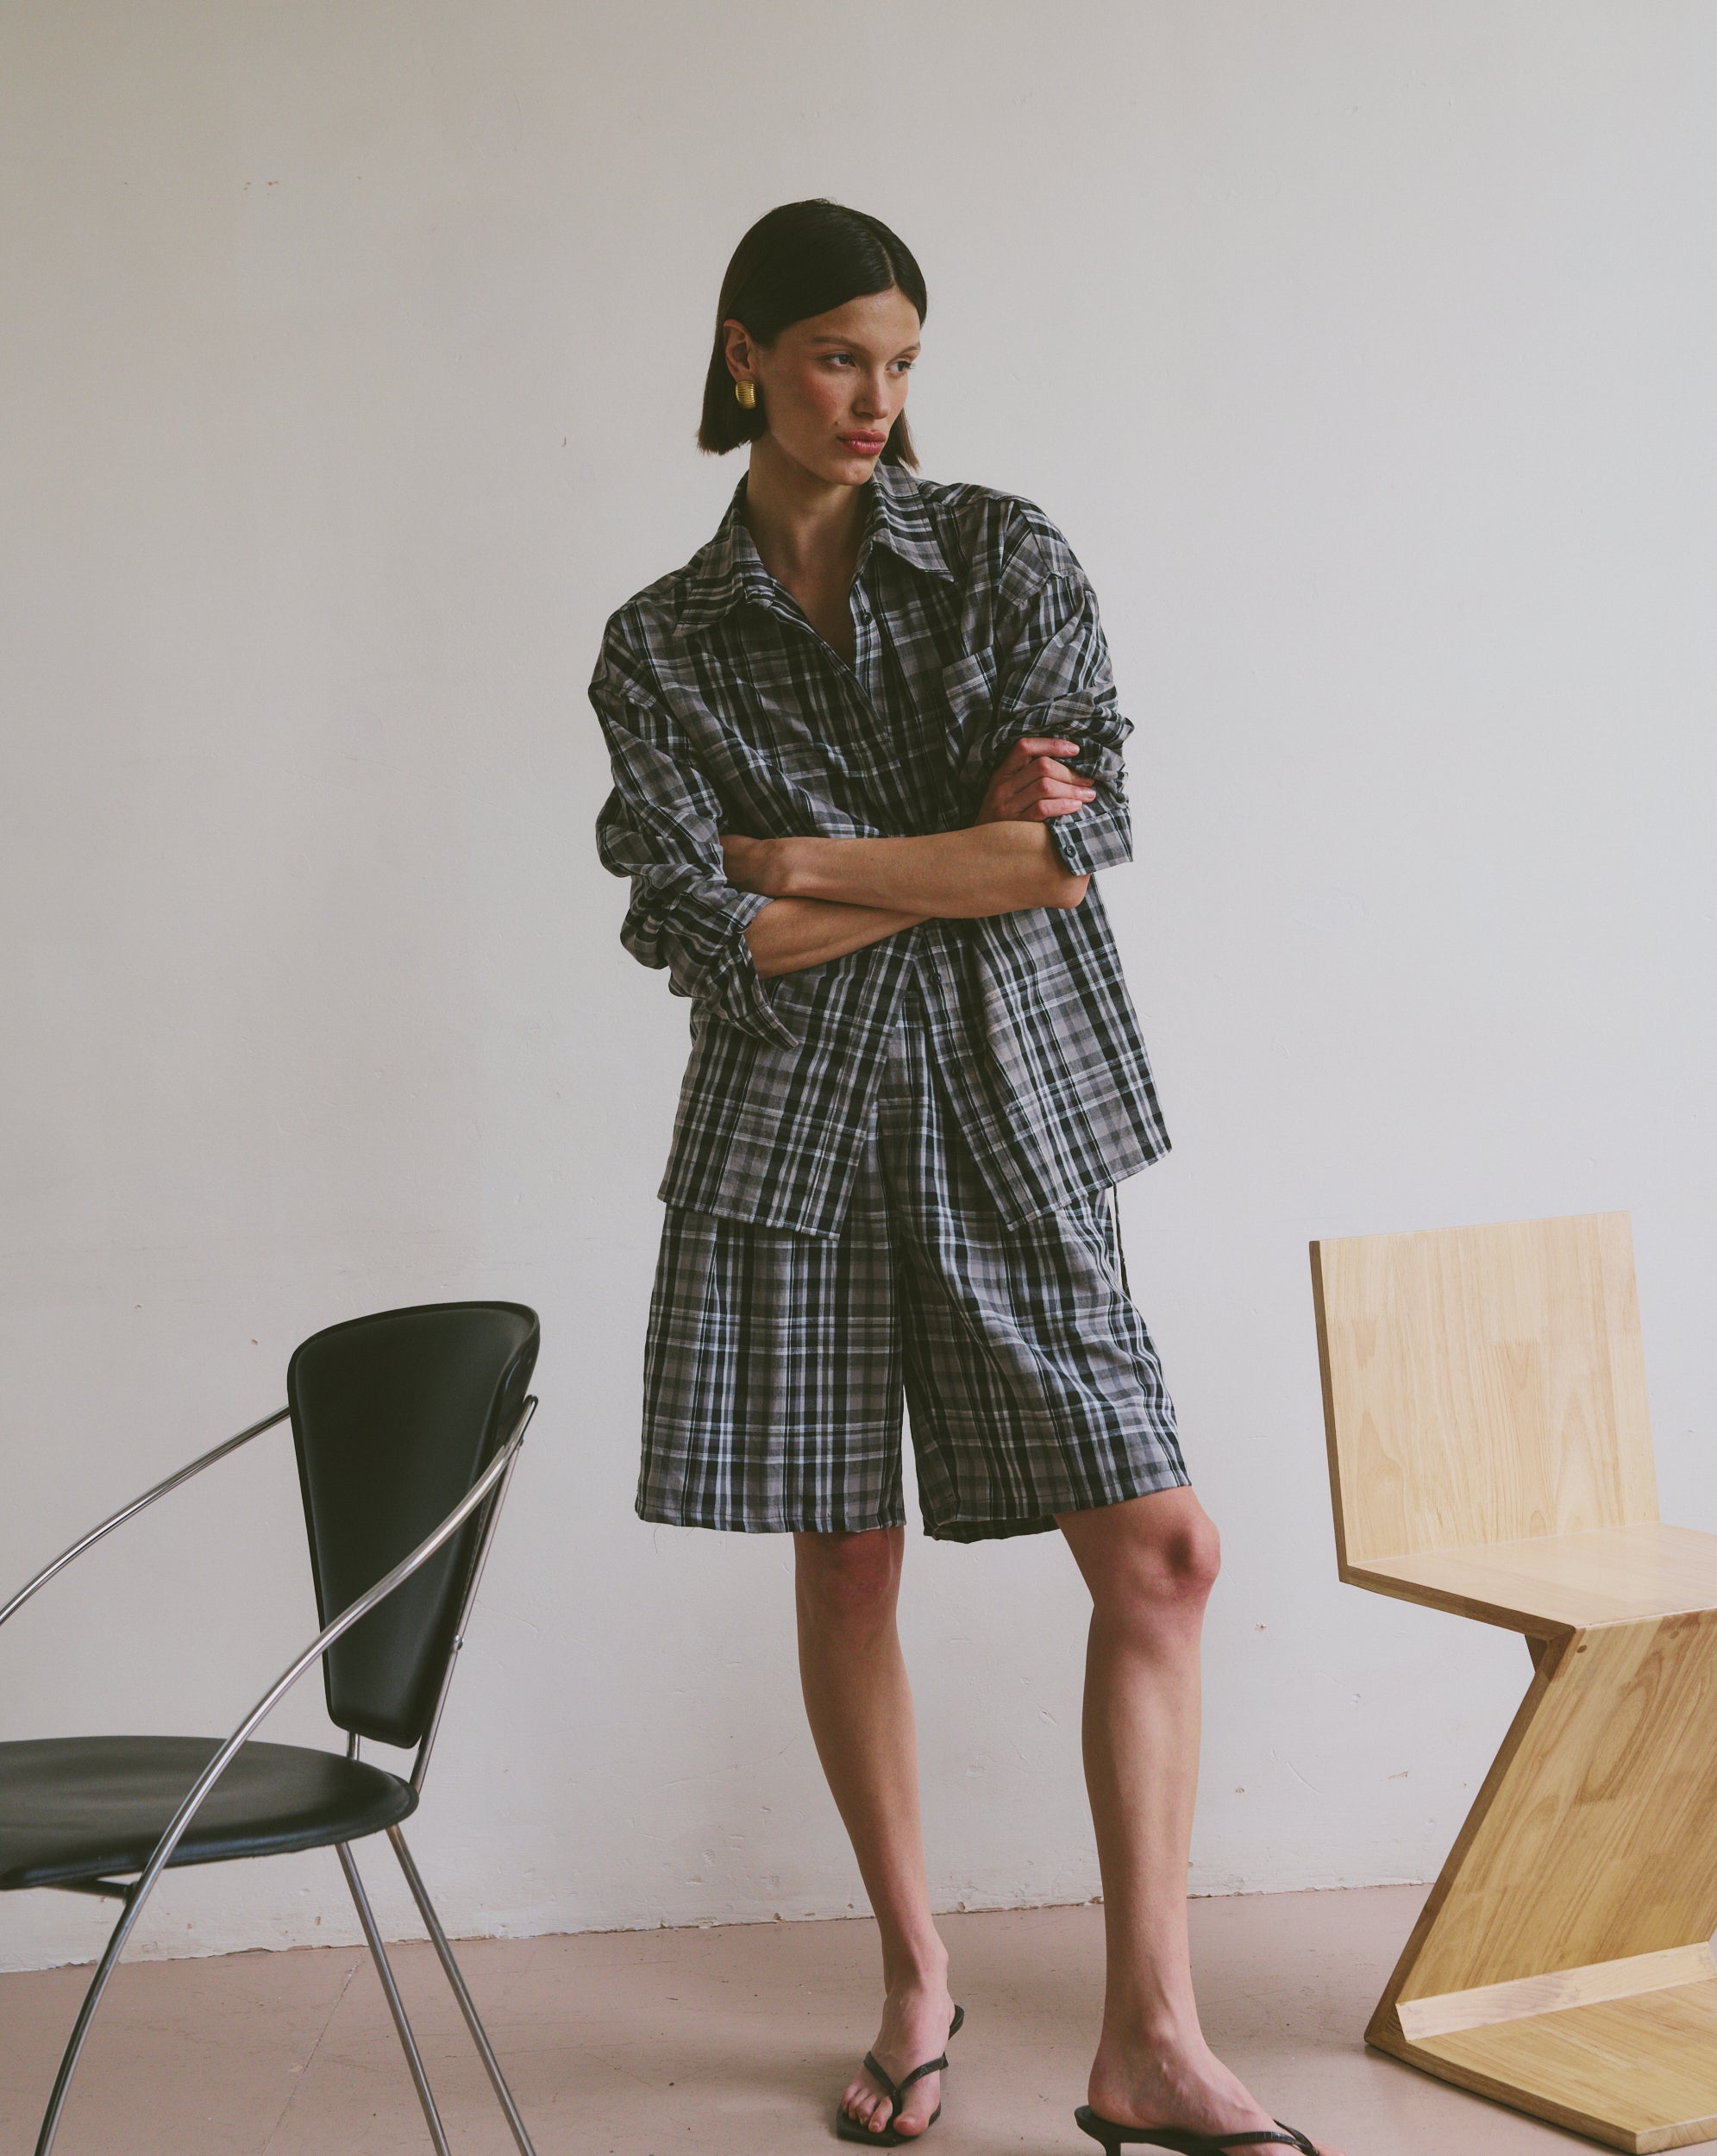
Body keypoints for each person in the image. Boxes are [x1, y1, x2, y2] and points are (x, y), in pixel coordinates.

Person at [590, 198, 1338, 2156]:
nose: (875, 398)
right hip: (790, 1134)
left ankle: (1148, 2033)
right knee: (846, 1554)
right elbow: (694, 925)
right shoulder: (659, 645)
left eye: (903, 359)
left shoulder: (1004, 550)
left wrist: (804, 858)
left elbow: (1057, 857)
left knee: (1163, 1549)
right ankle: (918, 1974)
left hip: (1014, 1110)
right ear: (744, 351)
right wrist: (886, 857)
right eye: (839, 354)